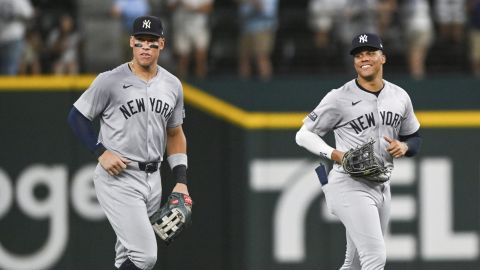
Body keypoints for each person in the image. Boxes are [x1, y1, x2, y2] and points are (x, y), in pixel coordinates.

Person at [67, 15, 190, 270]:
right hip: (119, 177)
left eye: (152, 42)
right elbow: (77, 117)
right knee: (146, 256)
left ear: (162, 44)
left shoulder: (172, 85)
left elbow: (175, 133)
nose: (146, 46)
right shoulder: (109, 80)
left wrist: (180, 181)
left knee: (127, 258)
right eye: (141, 40)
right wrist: (100, 152)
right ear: (131, 42)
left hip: (153, 178)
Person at [295, 33, 422, 269]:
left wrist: (404, 146)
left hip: (382, 185)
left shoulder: (400, 96)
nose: (364, 58)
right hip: (348, 183)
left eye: (370, 53)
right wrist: (336, 154)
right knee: (375, 257)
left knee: (353, 263)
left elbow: (414, 138)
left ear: (382, 58)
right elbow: (303, 135)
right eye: (358, 55)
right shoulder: (338, 97)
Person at [168, 0, 214, 79]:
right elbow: (170, 8)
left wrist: (192, 8)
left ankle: (201, 83)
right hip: (181, 28)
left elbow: (209, 8)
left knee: (200, 57)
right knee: (182, 58)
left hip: (199, 27)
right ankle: (181, 85)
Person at [237, 0, 279, 81]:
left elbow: (261, 7)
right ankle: (242, 88)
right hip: (246, 27)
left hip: (263, 27)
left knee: (261, 57)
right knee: (244, 59)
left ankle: (266, 87)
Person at [0, 0, 34, 75]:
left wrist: (14, 16)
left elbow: (30, 17)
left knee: (8, 71)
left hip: (13, 39)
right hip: (6, 38)